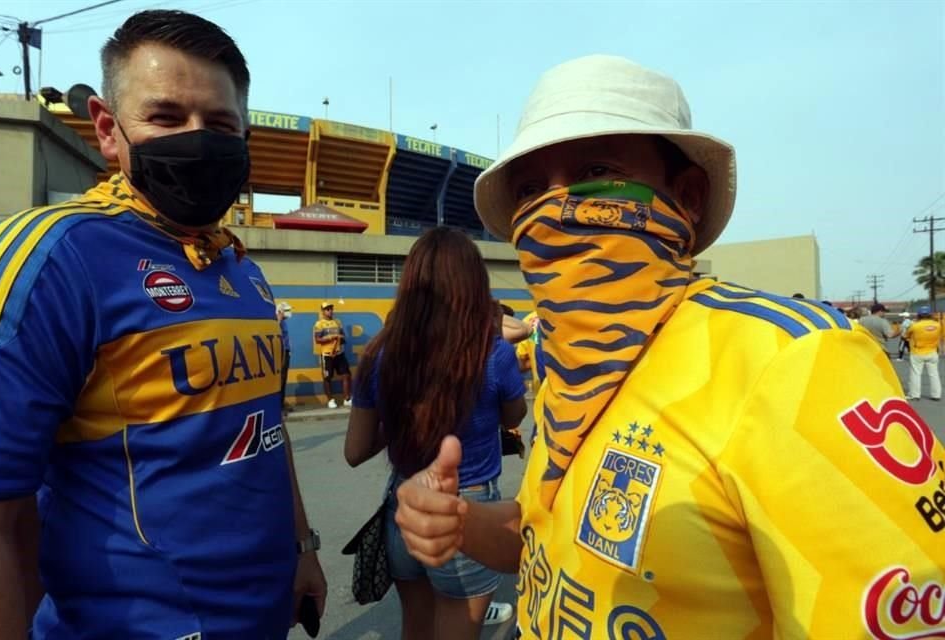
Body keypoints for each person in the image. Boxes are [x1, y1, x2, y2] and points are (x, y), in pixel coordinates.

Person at [393, 55, 945, 638]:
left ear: (687, 195)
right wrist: (458, 522)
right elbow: (546, 539)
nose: (555, 207)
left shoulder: (789, 358)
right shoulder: (570, 371)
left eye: (594, 170)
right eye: (531, 189)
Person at [0, 10, 327, 638]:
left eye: (221, 124)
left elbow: (265, 430)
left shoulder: (240, 266)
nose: (198, 139)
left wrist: (302, 550)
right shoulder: (54, 258)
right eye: (166, 117)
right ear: (109, 131)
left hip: (264, 612)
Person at [344, 227, 527, 640]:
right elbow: (513, 415)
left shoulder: (379, 353)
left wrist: (405, 419)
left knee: (416, 628)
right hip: (467, 509)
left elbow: (355, 451)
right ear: (474, 283)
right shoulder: (493, 353)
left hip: (402, 508)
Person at [313, 301, 352, 408]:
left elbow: (343, 336)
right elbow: (317, 339)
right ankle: (330, 400)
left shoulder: (337, 322)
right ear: (323, 311)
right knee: (327, 378)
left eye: (331, 309)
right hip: (327, 355)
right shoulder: (319, 324)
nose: (330, 311)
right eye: (327, 309)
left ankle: (347, 399)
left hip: (339, 353)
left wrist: (341, 338)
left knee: (346, 375)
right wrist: (330, 338)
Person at [905, 306, 942, 401]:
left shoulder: (915, 325)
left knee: (916, 374)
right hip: (933, 351)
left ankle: (915, 395)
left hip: (917, 352)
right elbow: (941, 335)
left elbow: (906, 335)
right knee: (934, 374)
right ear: (930, 314)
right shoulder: (938, 325)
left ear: (919, 315)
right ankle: (936, 395)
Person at [277, 301, 294, 409]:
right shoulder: (276, 321)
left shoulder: (284, 322)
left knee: (283, 378)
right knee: (280, 379)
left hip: (286, 351)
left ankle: (281, 403)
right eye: (286, 311)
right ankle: (278, 405)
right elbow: (274, 330)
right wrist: (279, 317)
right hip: (280, 352)